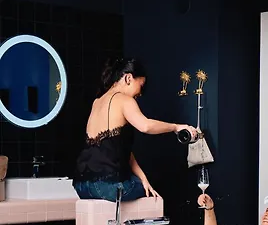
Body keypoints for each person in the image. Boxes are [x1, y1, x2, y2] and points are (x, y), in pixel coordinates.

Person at [72, 58, 197, 202]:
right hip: (107, 186)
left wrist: (143, 178)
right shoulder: (124, 100)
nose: (140, 93)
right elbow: (145, 126)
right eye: (141, 86)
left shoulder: (97, 102)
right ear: (128, 78)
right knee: (156, 189)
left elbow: (121, 150)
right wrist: (176, 127)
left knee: (143, 184)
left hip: (82, 185)